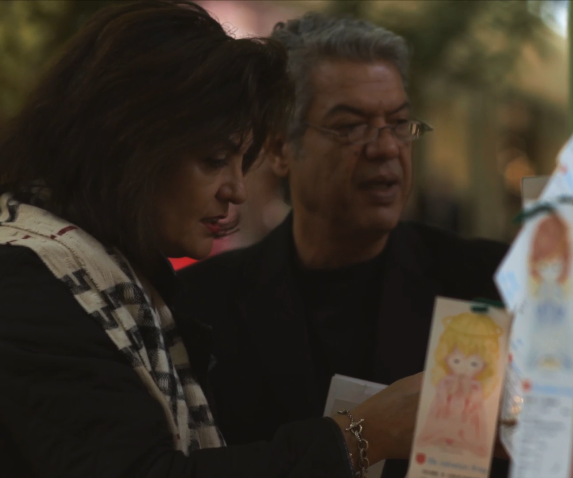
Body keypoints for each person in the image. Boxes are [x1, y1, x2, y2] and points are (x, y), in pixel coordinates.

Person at [0, 2, 420, 477]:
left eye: (242, 162)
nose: (236, 189)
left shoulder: (122, 277)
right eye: (215, 159)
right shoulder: (29, 280)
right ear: (129, 145)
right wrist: (358, 437)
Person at [176, 13, 509, 477]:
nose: (386, 148)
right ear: (279, 150)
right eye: (350, 127)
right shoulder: (199, 306)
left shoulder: (485, 283)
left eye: (398, 123)